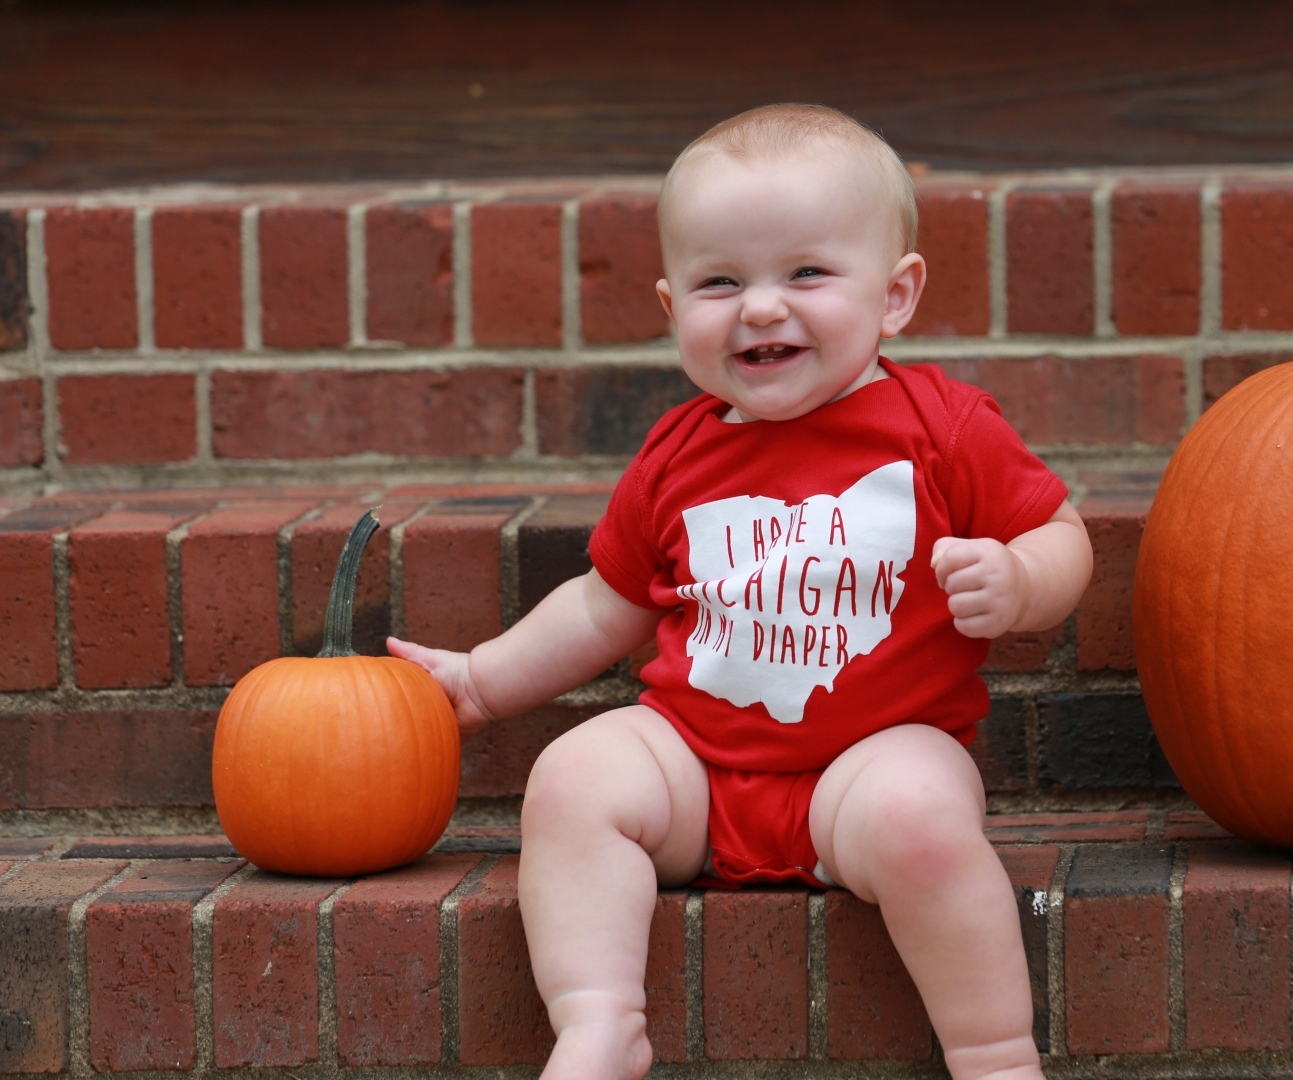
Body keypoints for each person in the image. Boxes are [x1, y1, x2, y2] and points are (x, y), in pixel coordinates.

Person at [389, 103, 1093, 1080]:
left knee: (925, 818)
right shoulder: (679, 453)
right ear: (675, 311)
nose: (762, 306)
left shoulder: (941, 425)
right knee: (573, 780)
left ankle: (995, 1054)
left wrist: (1020, 580)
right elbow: (608, 603)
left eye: (806, 272)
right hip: (697, 769)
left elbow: (1058, 532)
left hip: (866, 770)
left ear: (895, 296)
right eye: (723, 282)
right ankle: (598, 1020)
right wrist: (481, 682)